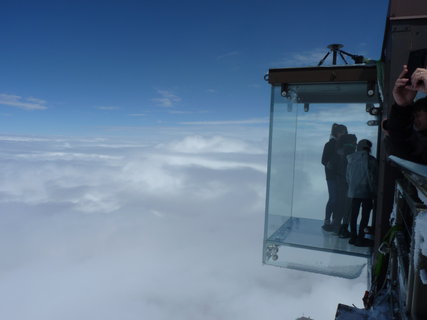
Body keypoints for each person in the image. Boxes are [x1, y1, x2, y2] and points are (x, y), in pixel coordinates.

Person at [386, 65, 427, 163]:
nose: (414, 119)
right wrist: (402, 107)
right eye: (413, 116)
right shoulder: (421, 142)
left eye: (417, 115)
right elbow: (403, 150)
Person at [346, 139, 378, 246]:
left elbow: (348, 177)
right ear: (368, 148)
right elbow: (373, 179)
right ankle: (360, 237)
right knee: (365, 215)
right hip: (366, 191)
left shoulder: (351, 159)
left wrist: (351, 187)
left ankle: (353, 236)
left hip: (354, 191)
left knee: (353, 214)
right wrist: (374, 193)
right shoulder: (371, 160)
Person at [321, 124, 347, 231]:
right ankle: (328, 221)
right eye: (342, 132)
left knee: (339, 199)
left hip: (341, 176)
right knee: (334, 198)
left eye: (344, 132)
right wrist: (331, 163)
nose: (343, 134)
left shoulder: (345, 145)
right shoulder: (329, 145)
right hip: (332, 176)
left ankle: (334, 221)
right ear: (336, 133)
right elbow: (323, 160)